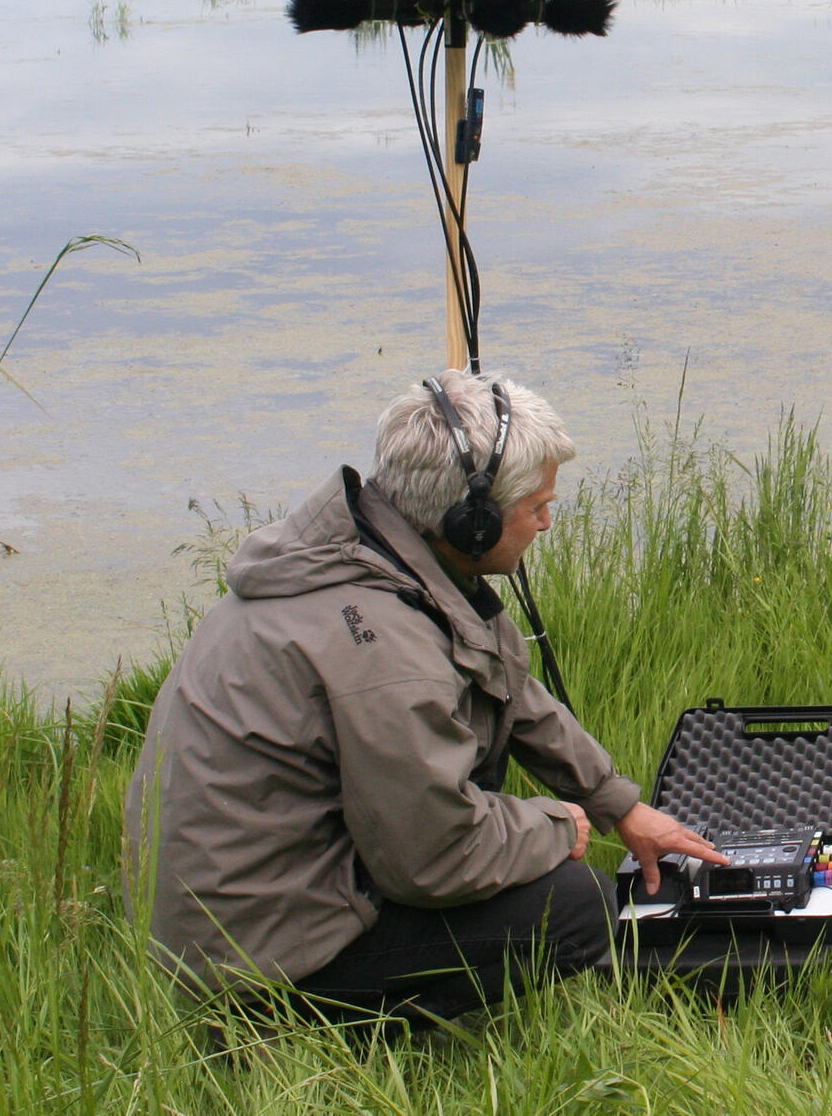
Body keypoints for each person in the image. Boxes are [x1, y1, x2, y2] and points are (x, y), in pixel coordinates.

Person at [124, 369, 725, 1034]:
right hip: (254, 976)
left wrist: (617, 802)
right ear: (473, 521)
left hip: (243, 922)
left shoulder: (370, 550)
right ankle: (308, 1041)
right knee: (572, 904)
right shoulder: (385, 650)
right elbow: (435, 858)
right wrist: (557, 824)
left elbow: (503, 683)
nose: (548, 523)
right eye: (537, 506)